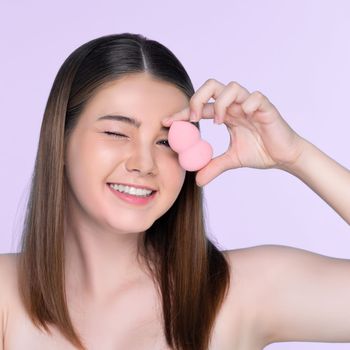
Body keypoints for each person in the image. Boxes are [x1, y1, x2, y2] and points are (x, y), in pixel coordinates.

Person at [0, 32, 349, 350]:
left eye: (166, 141)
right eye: (117, 133)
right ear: (59, 142)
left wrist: (295, 156)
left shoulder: (243, 292)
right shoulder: (6, 294)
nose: (144, 163)